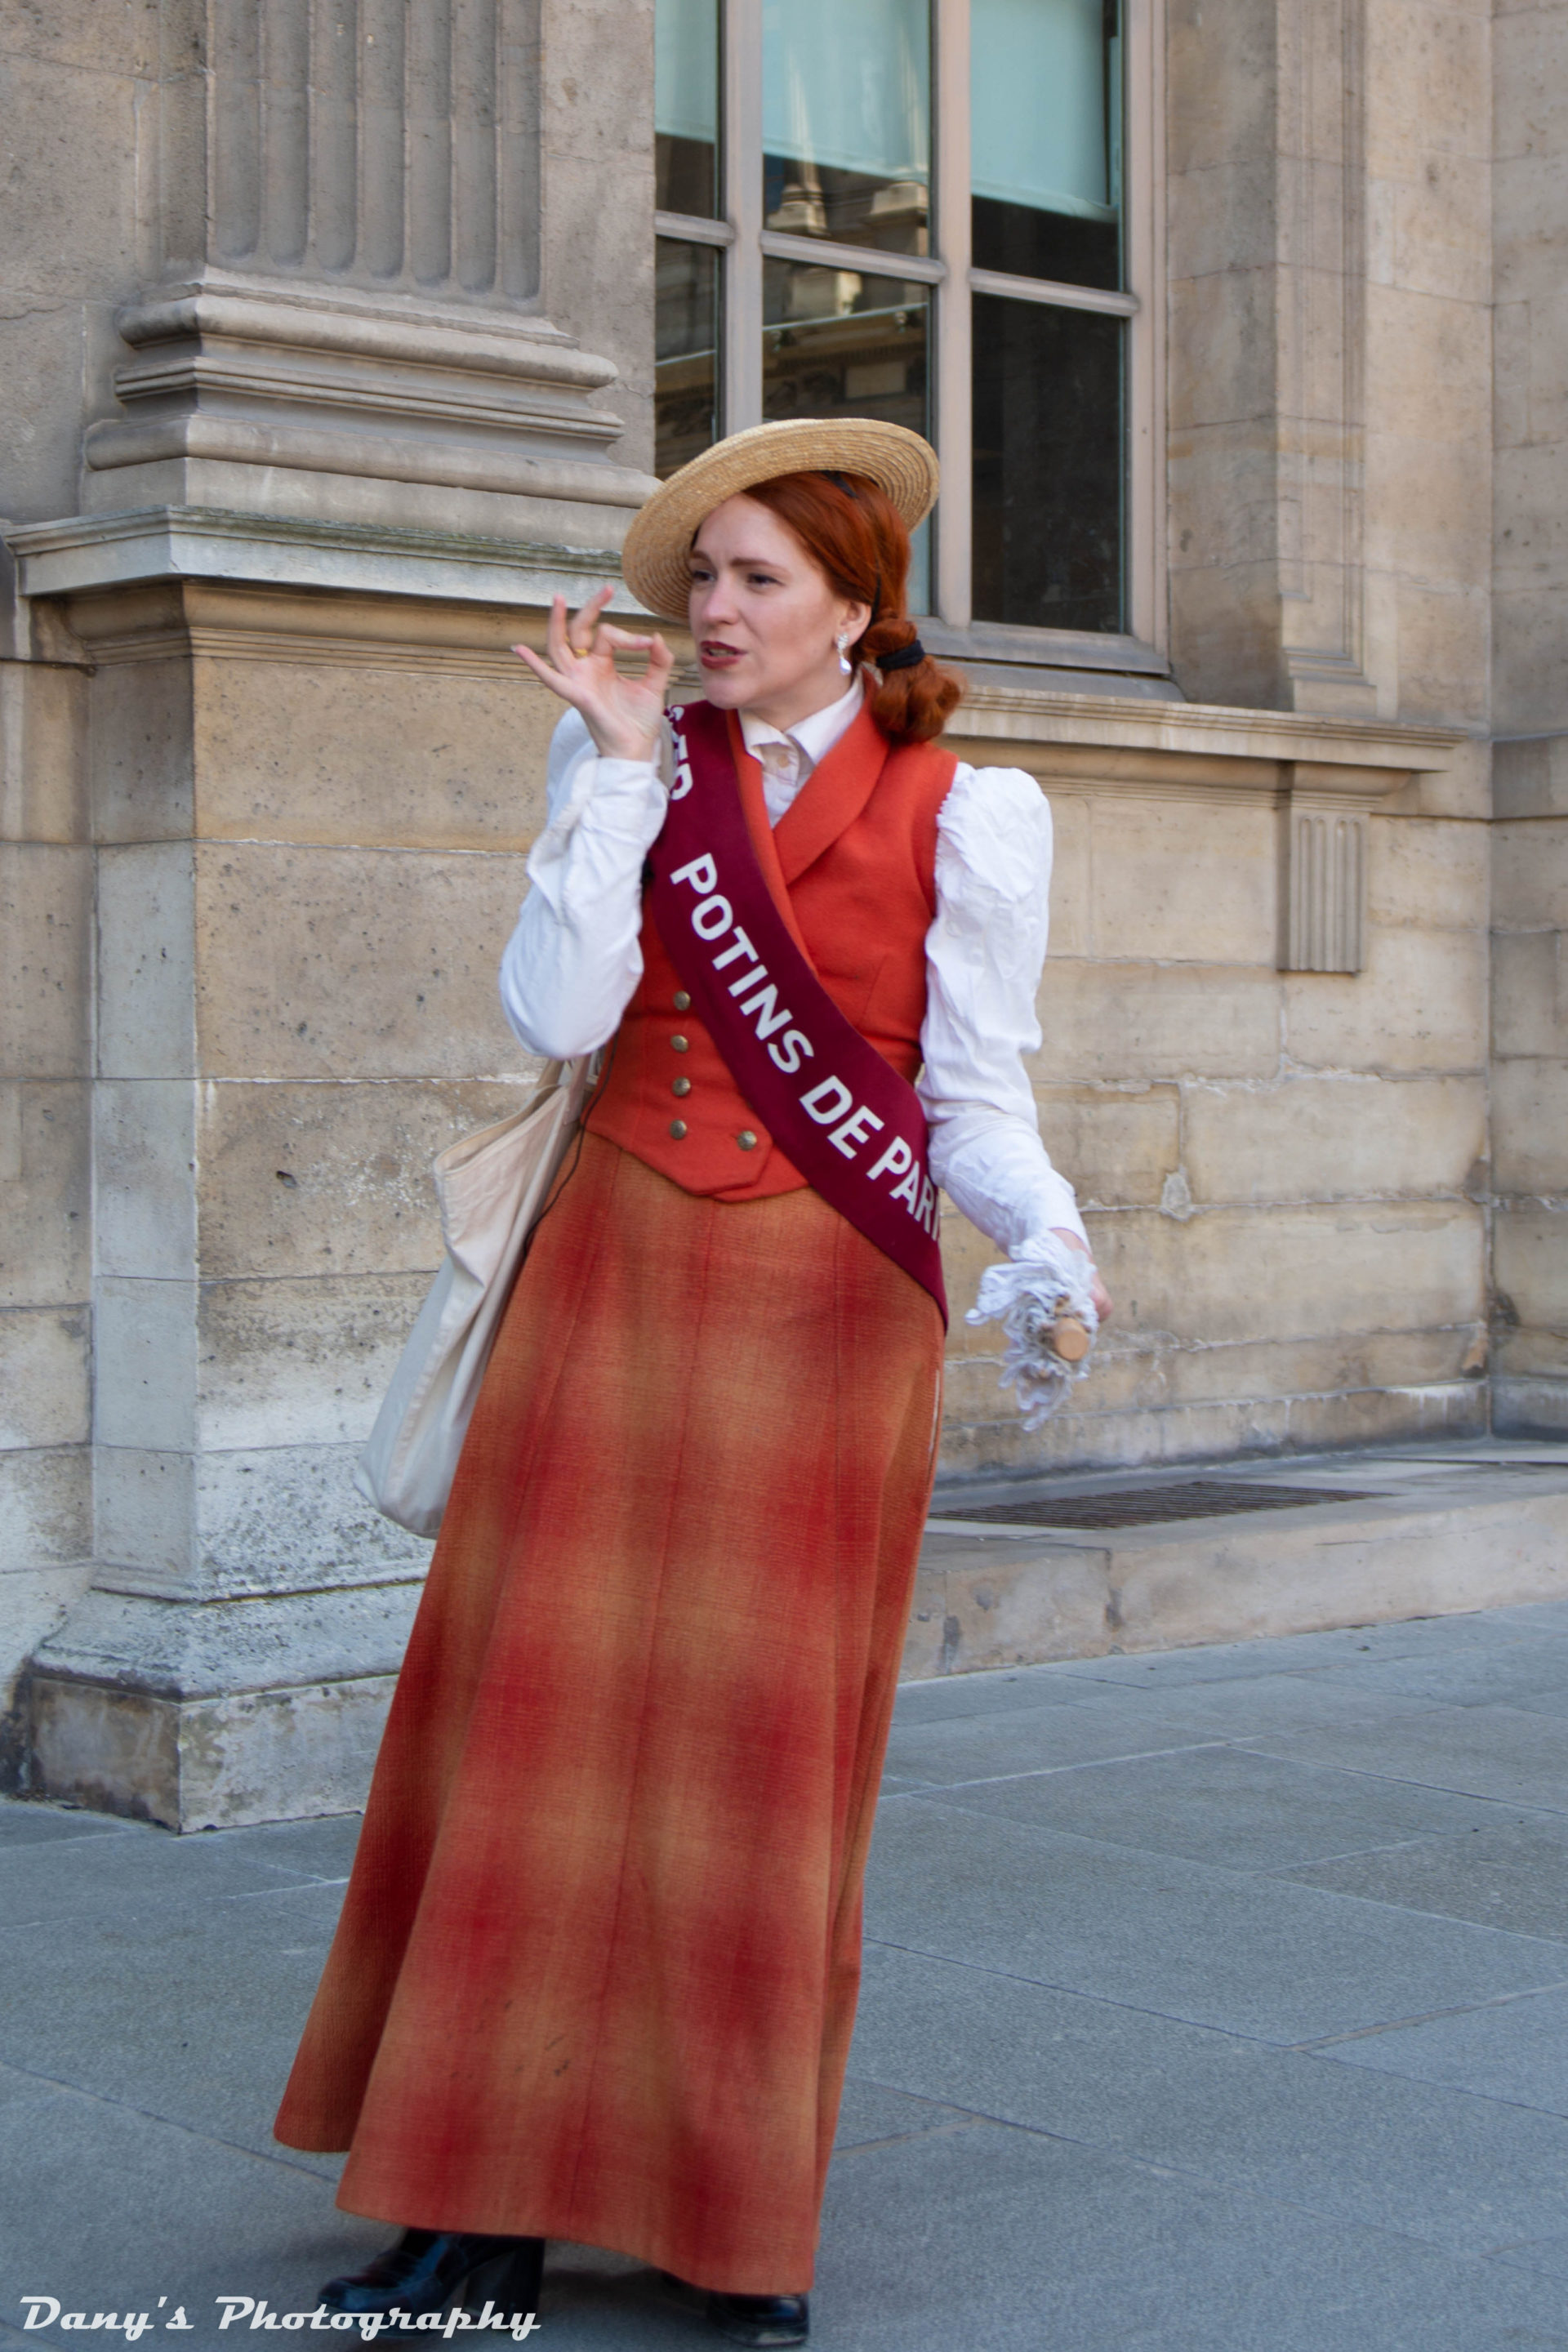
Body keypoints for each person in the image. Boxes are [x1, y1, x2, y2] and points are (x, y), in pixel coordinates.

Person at [272, 418, 1110, 2348]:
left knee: (764, 1769)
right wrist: (625, 773)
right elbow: (552, 1015)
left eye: (755, 581)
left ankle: (724, 2213)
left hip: (826, 1314)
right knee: (529, 1737)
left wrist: (1049, 1241)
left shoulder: (976, 807)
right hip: (618, 1274)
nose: (710, 611)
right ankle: (464, 2204)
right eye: (700, 578)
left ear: (852, 606)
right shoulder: (627, 757)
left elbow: (972, 1091)